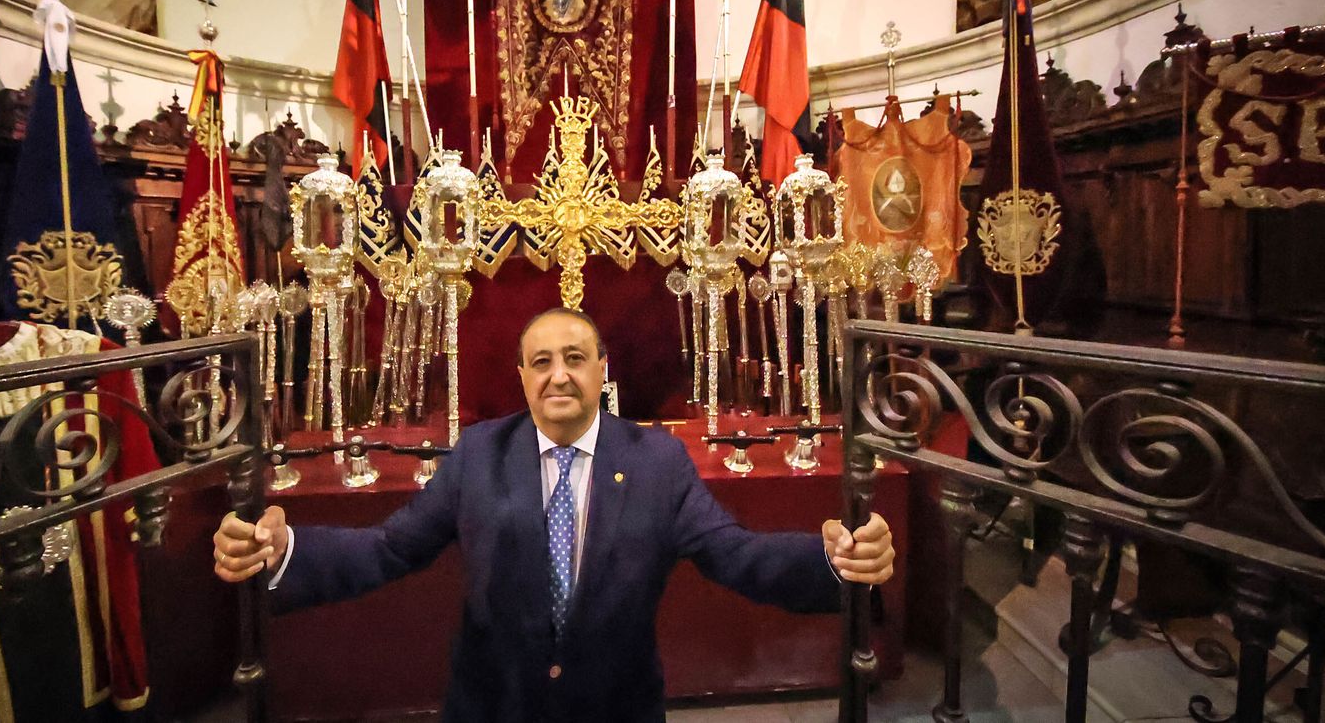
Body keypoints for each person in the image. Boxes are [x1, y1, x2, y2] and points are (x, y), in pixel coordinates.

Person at [212, 307, 894, 721]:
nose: (558, 374)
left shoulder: (658, 460)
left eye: (574, 358)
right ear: (521, 378)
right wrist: (285, 552)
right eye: (541, 362)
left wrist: (832, 561)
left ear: (603, 369)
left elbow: (733, 552)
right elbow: (391, 549)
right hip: (492, 708)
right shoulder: (479, 453)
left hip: (616, 709)